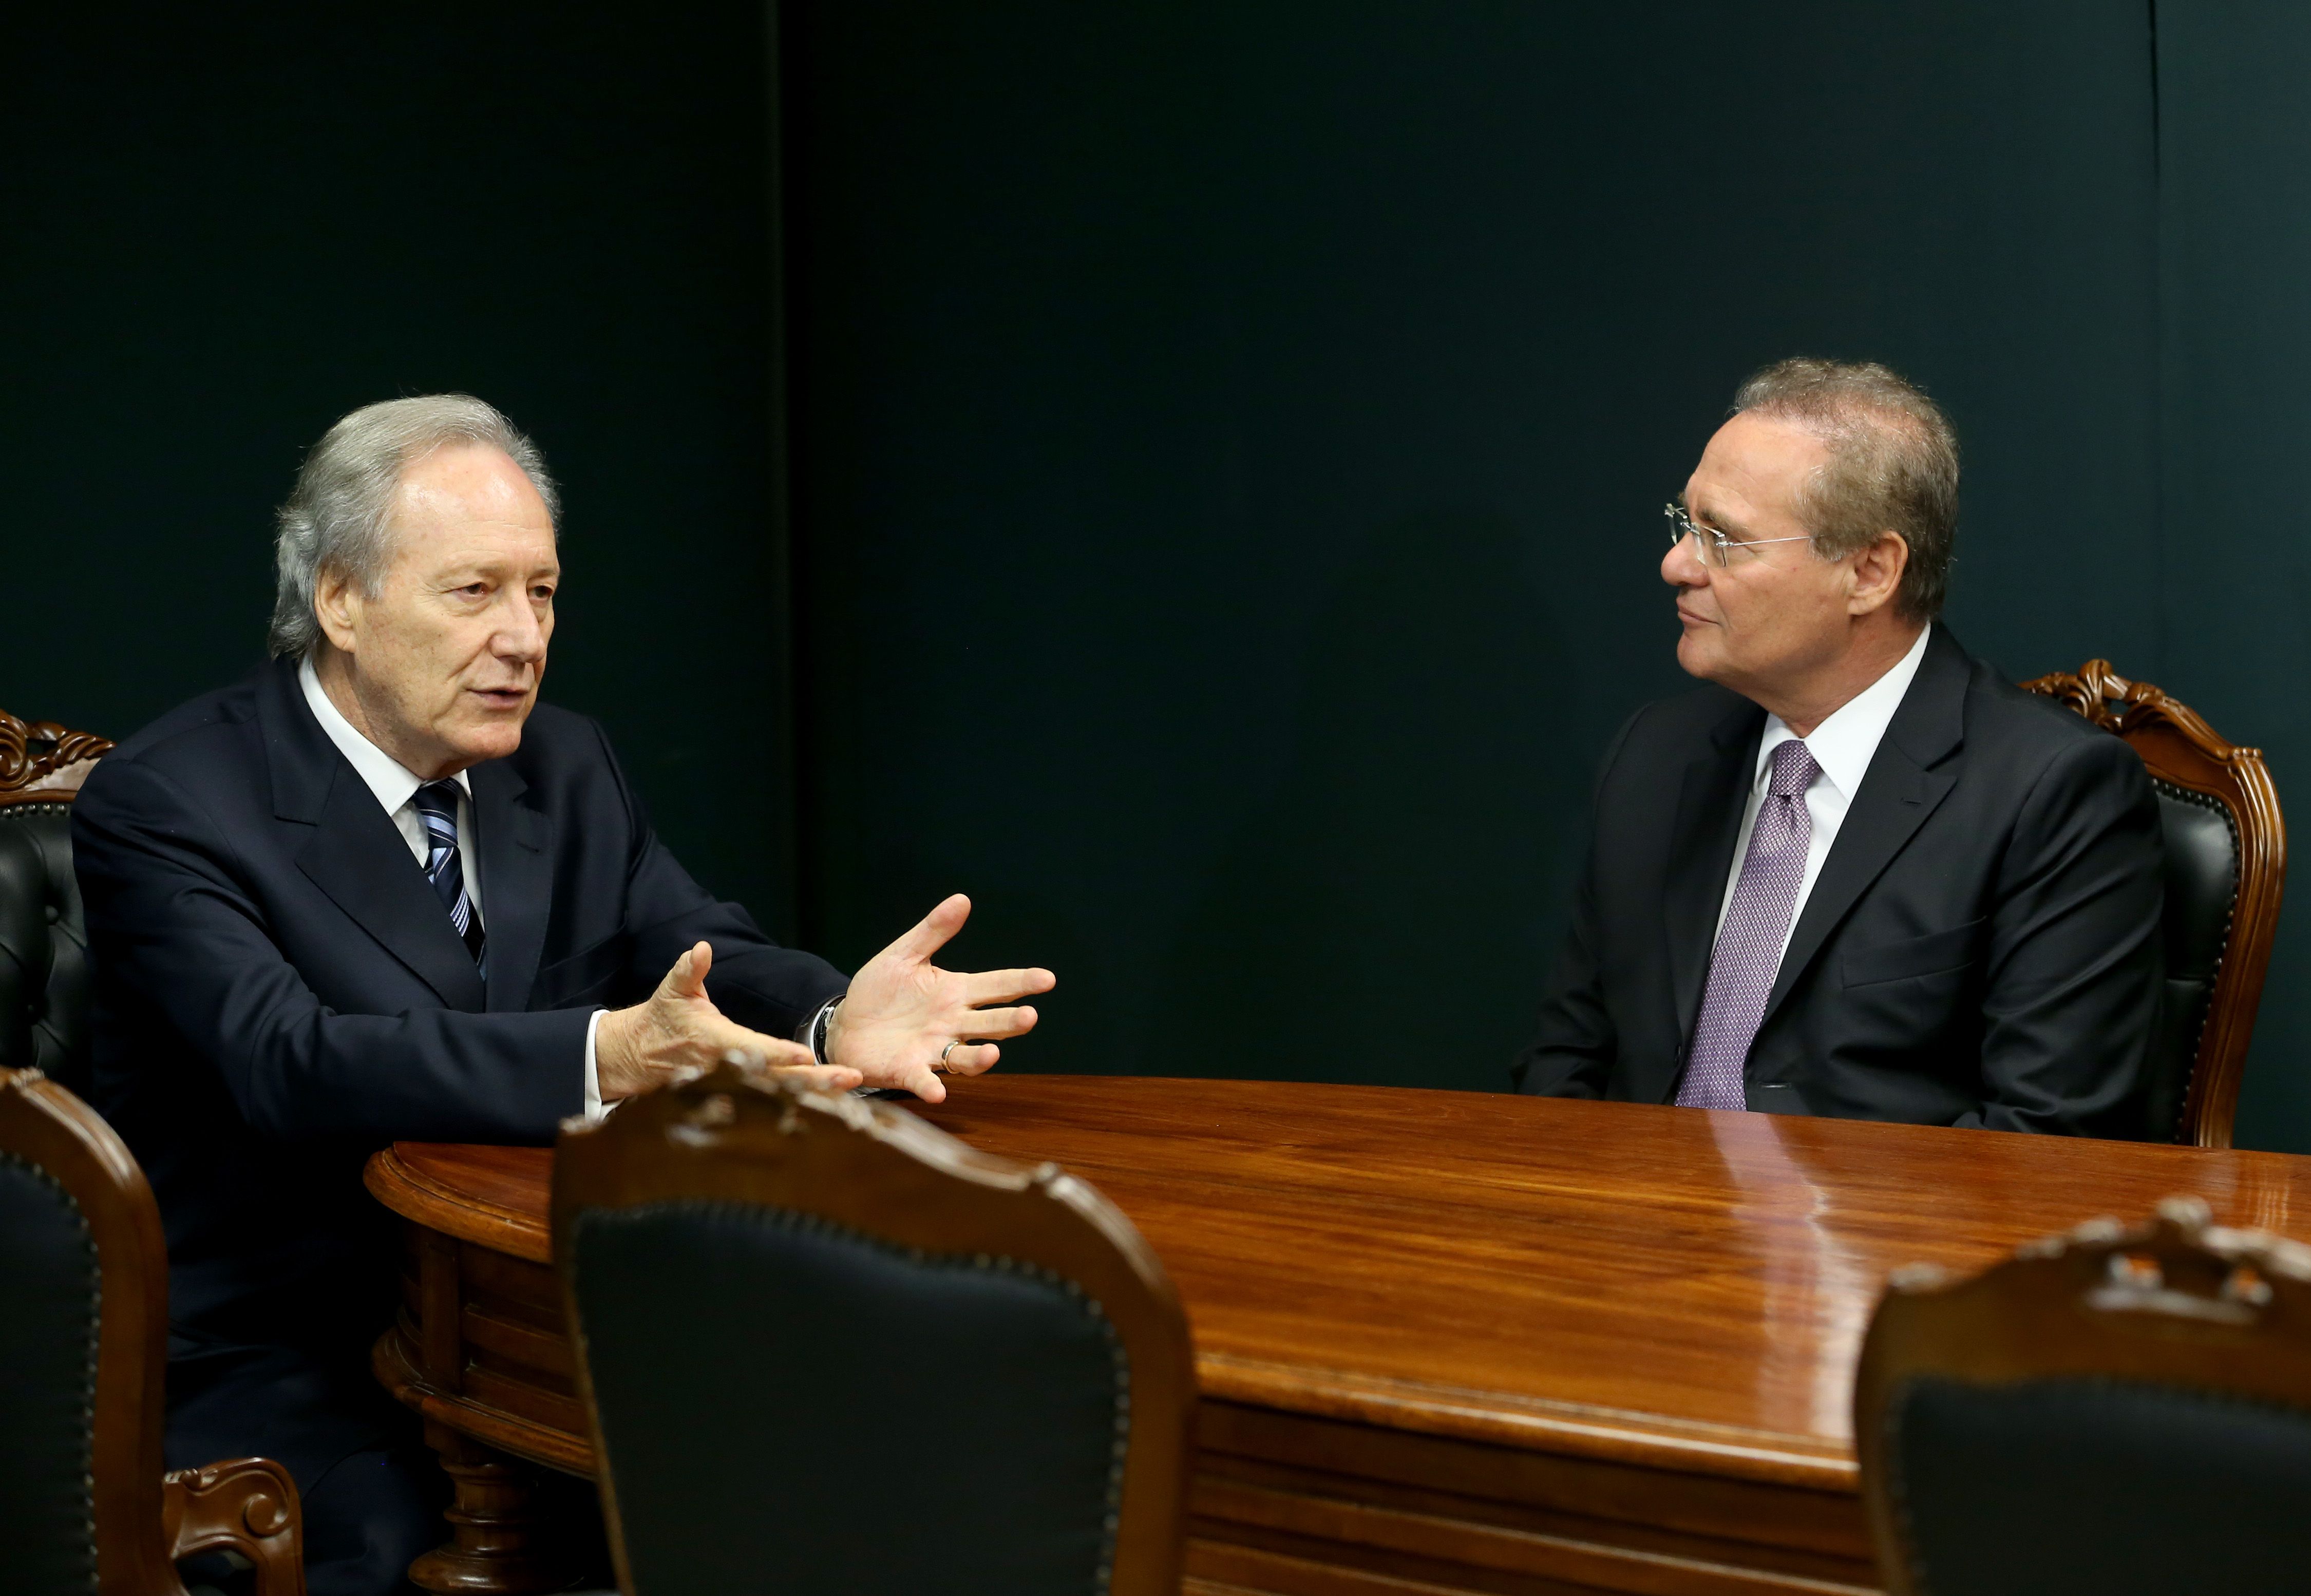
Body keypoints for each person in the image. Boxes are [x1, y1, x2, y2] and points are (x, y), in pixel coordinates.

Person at [73, 395, 1056, 1596]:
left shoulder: (566, 761)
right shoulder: (172, 799)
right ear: (339, 599)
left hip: (536, 1319)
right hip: (282, 1349)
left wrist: (828, 1016)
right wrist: (605, 1057)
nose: (525, 639)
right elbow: (290, 1060)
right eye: (474, 592)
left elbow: (692, 944)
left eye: (541, 592)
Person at [1513, 358, 2163, 1135]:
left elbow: (2047, 1142)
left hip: (1881, 1249)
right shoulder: (1655, 756)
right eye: (1684, 524)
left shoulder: (2051, 791)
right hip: (1633, 1235)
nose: (1677, 564)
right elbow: (1566, 1063)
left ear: (1869, 571)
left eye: (1723, 538)